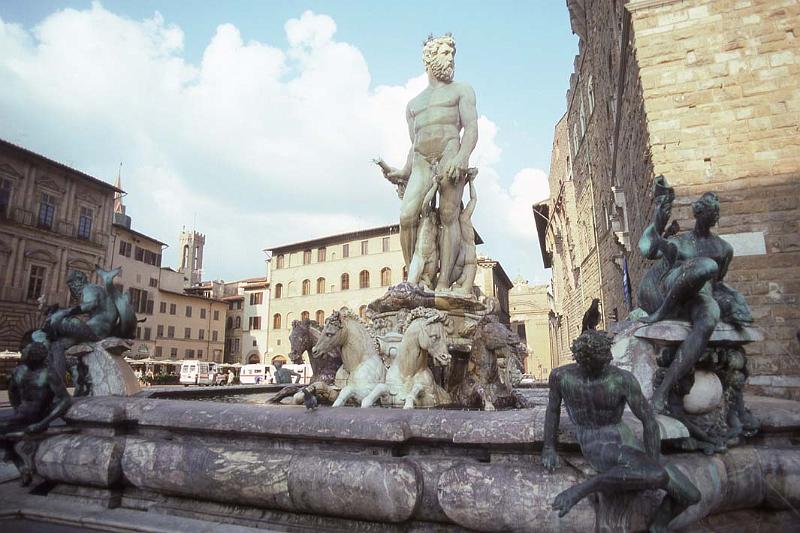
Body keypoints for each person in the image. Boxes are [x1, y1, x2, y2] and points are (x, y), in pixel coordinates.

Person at [542, 330, 700, 531]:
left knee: (690, 495)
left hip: (624, 439)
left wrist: (652, 459)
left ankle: (658, 527)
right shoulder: (561, 376)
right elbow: (553, 410)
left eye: (608, 354)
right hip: (596, 443)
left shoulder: (622, 379)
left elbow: (649, 422)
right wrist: (549, 447)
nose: (610, 358)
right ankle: (580, 490)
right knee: (657, 476)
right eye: (603, 359)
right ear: (585, 362)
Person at [638, 177, 752, 413]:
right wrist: (660, 216)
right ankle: (662, 311)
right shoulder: (681, 242)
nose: (713, 216)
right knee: (705, 266)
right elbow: (647, 249)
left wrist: (735, 302)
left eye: (716, 213)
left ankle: (663, 391)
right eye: (710, 210)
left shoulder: (723, 249)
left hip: (701, 297)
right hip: (670, 291)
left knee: (710, 315)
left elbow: (718, 283)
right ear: (699, 212)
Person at [380, 34, 478, 291]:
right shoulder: (413, 105)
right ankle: (418, 278)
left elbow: (470, 129)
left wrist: (461, 158)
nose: (451, 58)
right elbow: (415, 145)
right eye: (445, 53)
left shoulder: (462, 90)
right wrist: (402, 171)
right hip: (423, 160)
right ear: (429, 58)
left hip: (450, 153)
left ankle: (444, 281)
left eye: (452, 54)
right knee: (406, 216)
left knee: (448, 215)